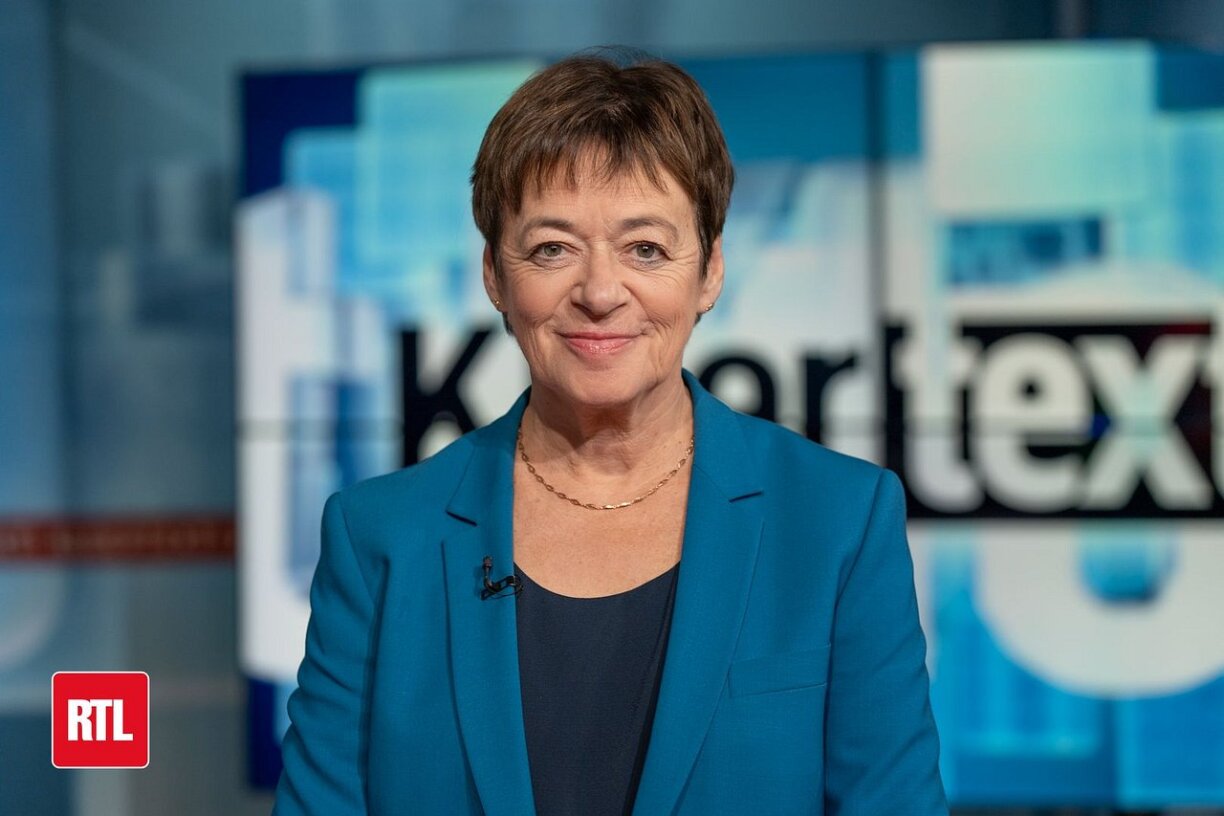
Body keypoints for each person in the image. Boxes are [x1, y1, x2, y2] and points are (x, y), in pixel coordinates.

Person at [273, 51, 946, 816]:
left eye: (645, 249)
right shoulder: (379, 537)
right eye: (552, 248)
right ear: (494, 274)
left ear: (710, 272)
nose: (599, 292)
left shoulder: (838, 521)